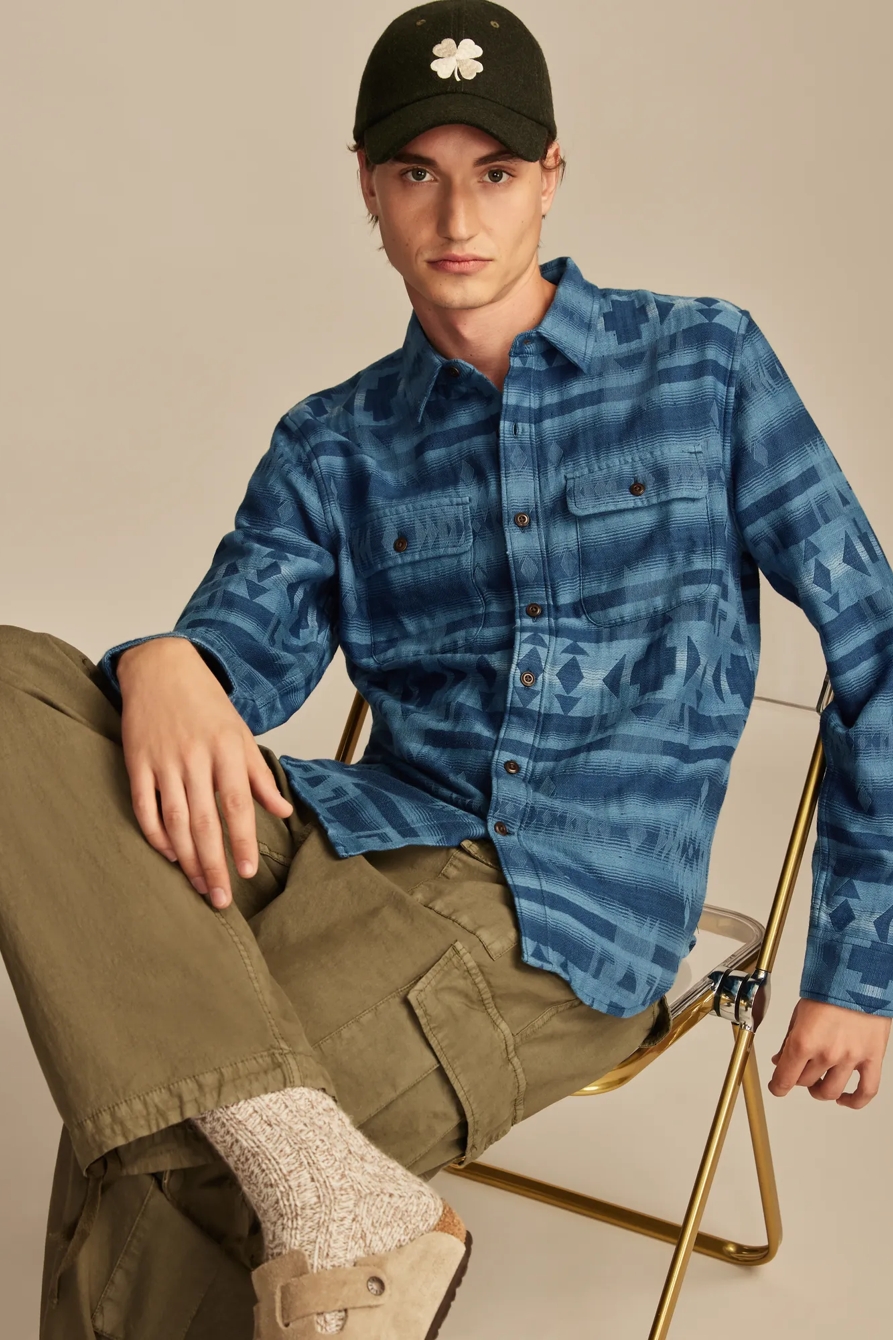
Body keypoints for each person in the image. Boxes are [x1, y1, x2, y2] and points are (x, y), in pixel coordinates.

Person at [1, 1, 891, 1336]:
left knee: (160, 1140)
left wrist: (855, 973)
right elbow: (239, 665)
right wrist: (171, 659)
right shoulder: (333, 442)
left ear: (550, 178)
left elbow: (877, 644)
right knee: (10, 684)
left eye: (496, 171)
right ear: (368, 186)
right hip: (354, 832)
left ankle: (305, 1175)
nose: (457, 216)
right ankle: (333, 1185)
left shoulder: (703, 366)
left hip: (565, 913)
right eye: (417, 172)